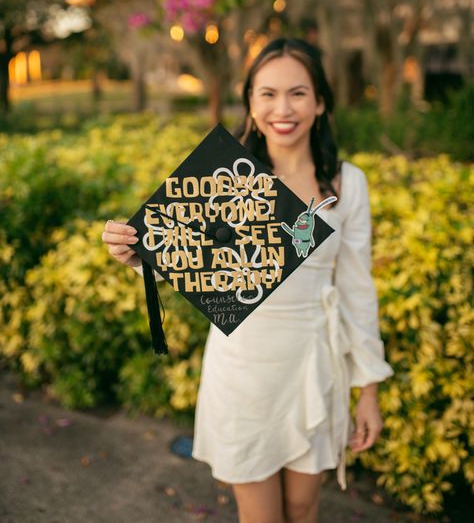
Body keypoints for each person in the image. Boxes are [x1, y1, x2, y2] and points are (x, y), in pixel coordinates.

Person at [102, 37, 394, 523]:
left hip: (315, 367)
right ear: (251, 103)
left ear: (320, 102)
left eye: (298, 93)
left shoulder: (347, 184)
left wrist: (369, 390)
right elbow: (185, 250)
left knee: (303, 511)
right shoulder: (226, 175)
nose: (283, 108)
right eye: (268, 93)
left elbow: (357, 290)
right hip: (244, 372)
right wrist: (134, 253)